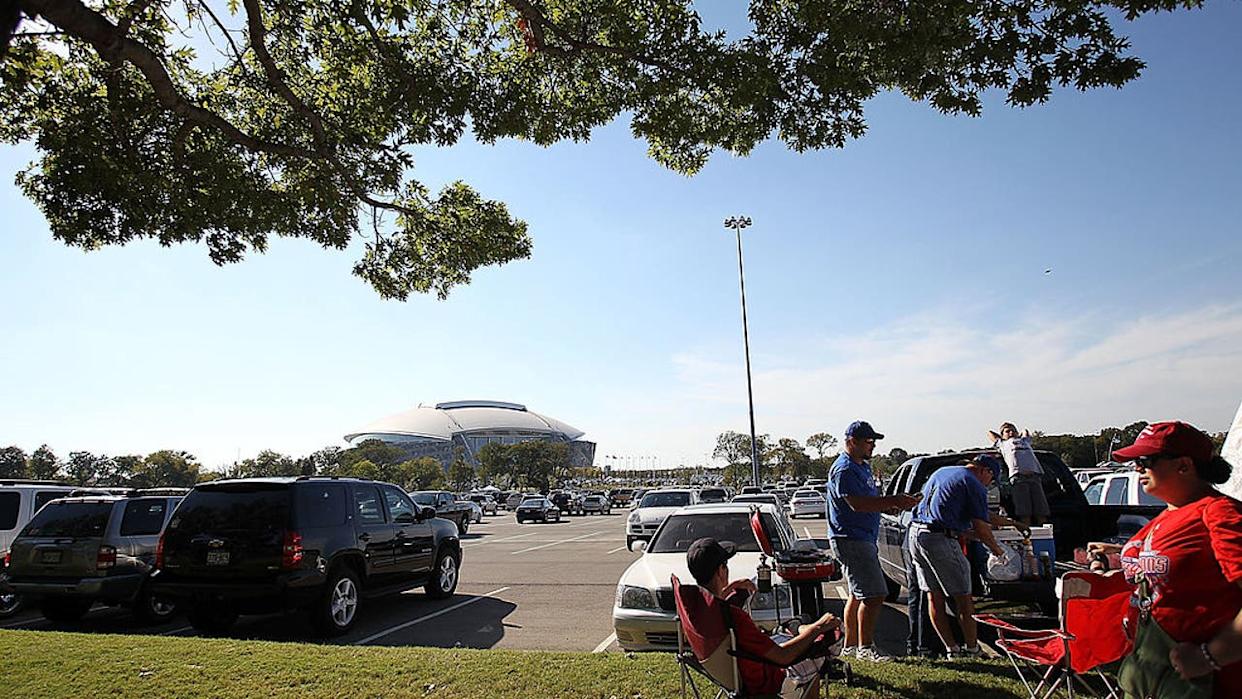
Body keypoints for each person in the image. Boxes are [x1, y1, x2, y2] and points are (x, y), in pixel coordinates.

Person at [1085, 421, 1242, 699]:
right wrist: (1112, 557)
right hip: (1150, 679)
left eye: (1145, 460)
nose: (1136, 468)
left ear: (1184, 464)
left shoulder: (1220, 514)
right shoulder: (1165, 516)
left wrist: (1210, 656)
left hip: (1205, 685)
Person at [686, 538, 841, 698]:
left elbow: (715, 603)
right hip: (768, 677)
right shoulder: (735, 618)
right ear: (720, 570)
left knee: (797, 624)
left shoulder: (698, 612)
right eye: (725, 564)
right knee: (827, 639)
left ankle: (803, 628)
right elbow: (783, 656)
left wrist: (729, 588)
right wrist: (820, 627)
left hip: (734, 671)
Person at [909, 454, 1025, 658]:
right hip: (940, 538)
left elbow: (981, 515)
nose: (989, 485)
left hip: (917, 535)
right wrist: (999, 553)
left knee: (933, 595)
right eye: (991, 479)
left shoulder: (943, 472)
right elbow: (981, 528)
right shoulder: (974, 484)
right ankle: (972, 649)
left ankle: (952, 649)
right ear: (985, 471)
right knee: (963, 598)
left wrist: (1012, 523)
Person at [827, 420, 920, 662]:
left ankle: (850, 646)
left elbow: (869, 501)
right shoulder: (844, 469)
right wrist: (894, 500)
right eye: (868, 442)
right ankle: (866, 649)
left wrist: (890, 507)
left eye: (874, 441)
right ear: (851, 442)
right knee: (875, 594)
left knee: (858, 595)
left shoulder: (862, 467)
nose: (873, 446)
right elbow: (856, 504)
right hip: (851, 539)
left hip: (862, 537)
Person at [988, 422, 1050, 526]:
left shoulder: (1025, 442)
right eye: (1007, 431)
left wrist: (1019, 434)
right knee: (1024, 511)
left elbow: (1025, 431)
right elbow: (990, 433)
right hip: (1018, 478)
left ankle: (1044, 532)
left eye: (1013, 430)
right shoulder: (1003, 444)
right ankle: (1027, 532)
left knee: (1041, 509)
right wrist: (1003, 436)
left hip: (1034, 477)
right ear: (1002, 435)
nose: (1011, 432)